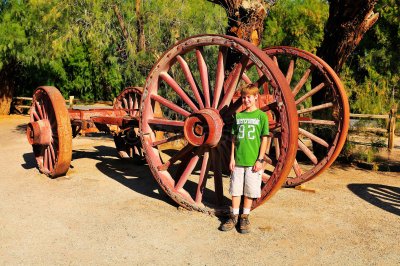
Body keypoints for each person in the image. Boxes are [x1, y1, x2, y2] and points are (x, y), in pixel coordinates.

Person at [220, 84, 269, 234]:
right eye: (243, 97)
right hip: (238, 160)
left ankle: (244, 217)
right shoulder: (239, 116)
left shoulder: (261, 116)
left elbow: (265, 139)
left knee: (249, 190)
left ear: (256, 97)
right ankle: (234, 216)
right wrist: (232, 158)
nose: (246, 100)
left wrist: (260, 160)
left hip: (253, 161)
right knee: (235, 189)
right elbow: (233, 139)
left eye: (249, 97)